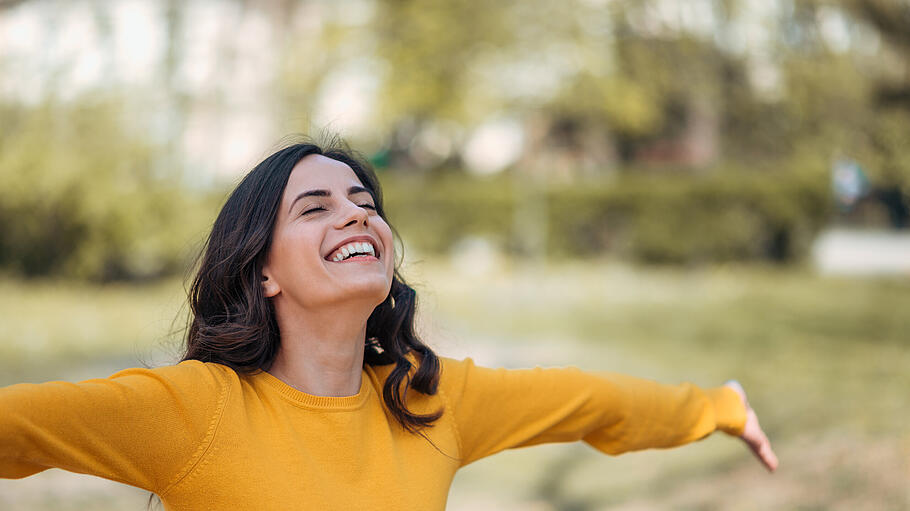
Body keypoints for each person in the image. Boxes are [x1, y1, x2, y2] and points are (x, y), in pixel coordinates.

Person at [0, 141, 777, 510]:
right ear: (261, 269)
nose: (358, 213)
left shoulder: (427, 401)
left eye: (366, 202)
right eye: (317, 206)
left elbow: (590, 403)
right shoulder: (197, 411)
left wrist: (719, 407)